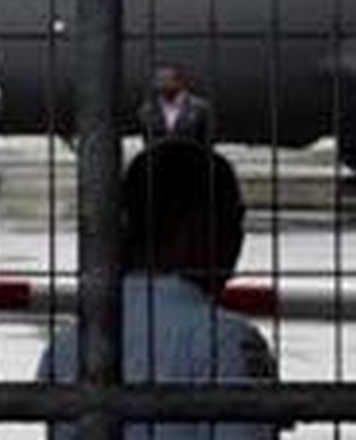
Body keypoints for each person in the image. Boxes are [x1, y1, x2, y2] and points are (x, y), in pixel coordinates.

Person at [38, 140, 278, 440]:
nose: (239, 241)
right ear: (197, 230)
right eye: (234, 223)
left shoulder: (65, 346)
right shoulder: (225, 341)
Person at [137, 67, 214, 147]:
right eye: (159, 80)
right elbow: (147, 142)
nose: (161, 83)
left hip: (190, 156)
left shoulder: (200, 109)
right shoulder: (147, 111)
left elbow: (206, 143)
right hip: (160, 157)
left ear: (180, 82)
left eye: (166, 80)